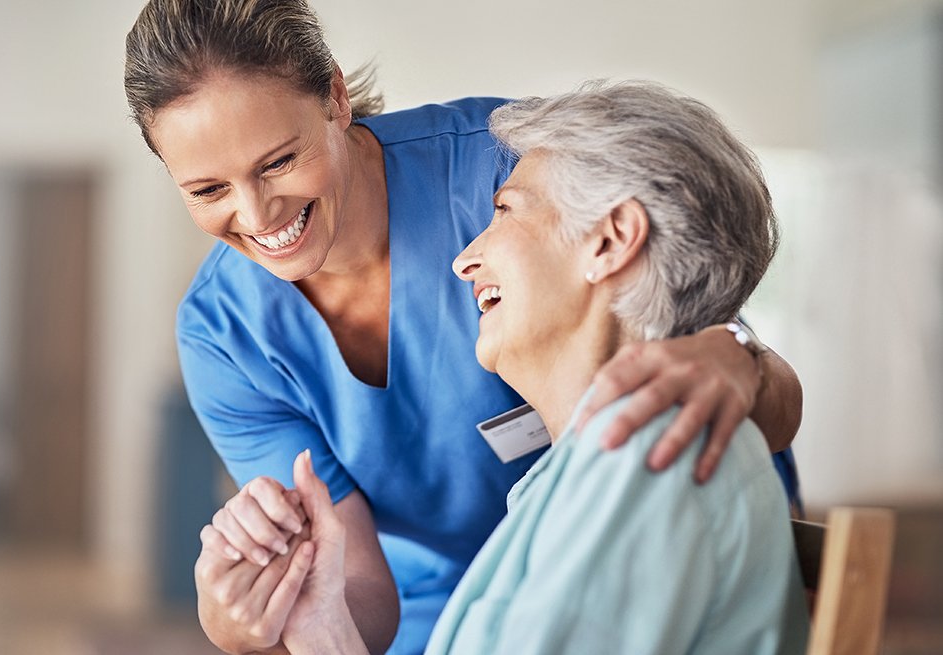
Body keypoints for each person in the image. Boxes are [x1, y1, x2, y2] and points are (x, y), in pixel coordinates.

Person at [122, 1, 804, 652]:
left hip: (640, 544)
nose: (257, 214)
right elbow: (342, 581)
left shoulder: (516, 167)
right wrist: (259, 613)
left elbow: (691, 306)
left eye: (278, 162)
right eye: (208, 190)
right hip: (461, 606)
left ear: (335, 97)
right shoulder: (224, 330)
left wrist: (735, 352)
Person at [279, 81, 810, 654]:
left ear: (610, 240)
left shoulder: (646, 455)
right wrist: (322, 630)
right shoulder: (592, 466)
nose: (463, 260)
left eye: (505, 210)